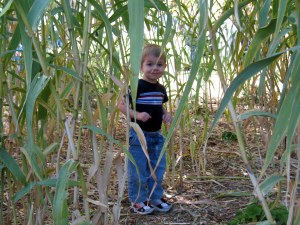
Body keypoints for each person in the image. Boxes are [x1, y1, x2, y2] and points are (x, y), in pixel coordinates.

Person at [118, 44, 172, 215]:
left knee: (158, 168)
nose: (155, 68)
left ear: (164, 67)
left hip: (156, 136)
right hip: (138, 135)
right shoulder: (136, 86)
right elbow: (121, 105)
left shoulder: (161, 89)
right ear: (141, 67)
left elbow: (159, 106)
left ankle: (155, 198)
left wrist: (166, 114)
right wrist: (138, 115)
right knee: (139, 169)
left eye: (160, 64)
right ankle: (138, 200)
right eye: (150, 64)